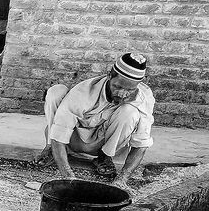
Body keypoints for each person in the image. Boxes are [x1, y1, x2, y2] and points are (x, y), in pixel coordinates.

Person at [37, 52, 155, 187]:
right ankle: (52, 148)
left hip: (107, 146)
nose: (122, 94)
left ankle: (104, 158)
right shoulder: (84, 91)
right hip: (74, 140)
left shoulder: (144, 98)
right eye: (118, 87)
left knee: (129, 112)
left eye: (130, 90)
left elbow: (141, 144)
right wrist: (68, 177)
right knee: (56, 91)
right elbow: (59, 132)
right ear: (109, 76)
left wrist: (121, 180)